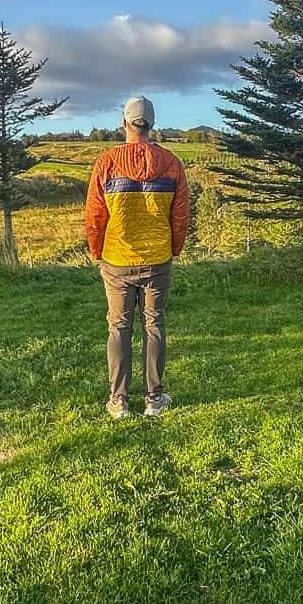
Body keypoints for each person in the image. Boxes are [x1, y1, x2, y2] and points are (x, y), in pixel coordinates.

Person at [84, 96, 189, 418]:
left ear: (125, 124)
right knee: (154, 324)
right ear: (151, 124)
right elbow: (181, 215)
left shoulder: (106, 162)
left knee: (119, 327)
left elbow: (94, 216)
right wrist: (174, 248)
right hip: (157, 258)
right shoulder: (171, 163)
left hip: (116, 259)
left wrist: (97, 250)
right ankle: (154, 399)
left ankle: (118, 401)